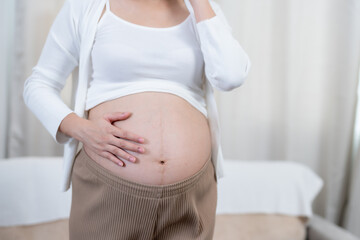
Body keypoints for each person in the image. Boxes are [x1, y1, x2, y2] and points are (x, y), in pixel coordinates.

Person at [22, 0, 251, 239]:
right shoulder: (86, 6)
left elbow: (231, 76)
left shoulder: (201, 9)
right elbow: (38, 85)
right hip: (107, 191)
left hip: (191, 195)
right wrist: (81, 129)